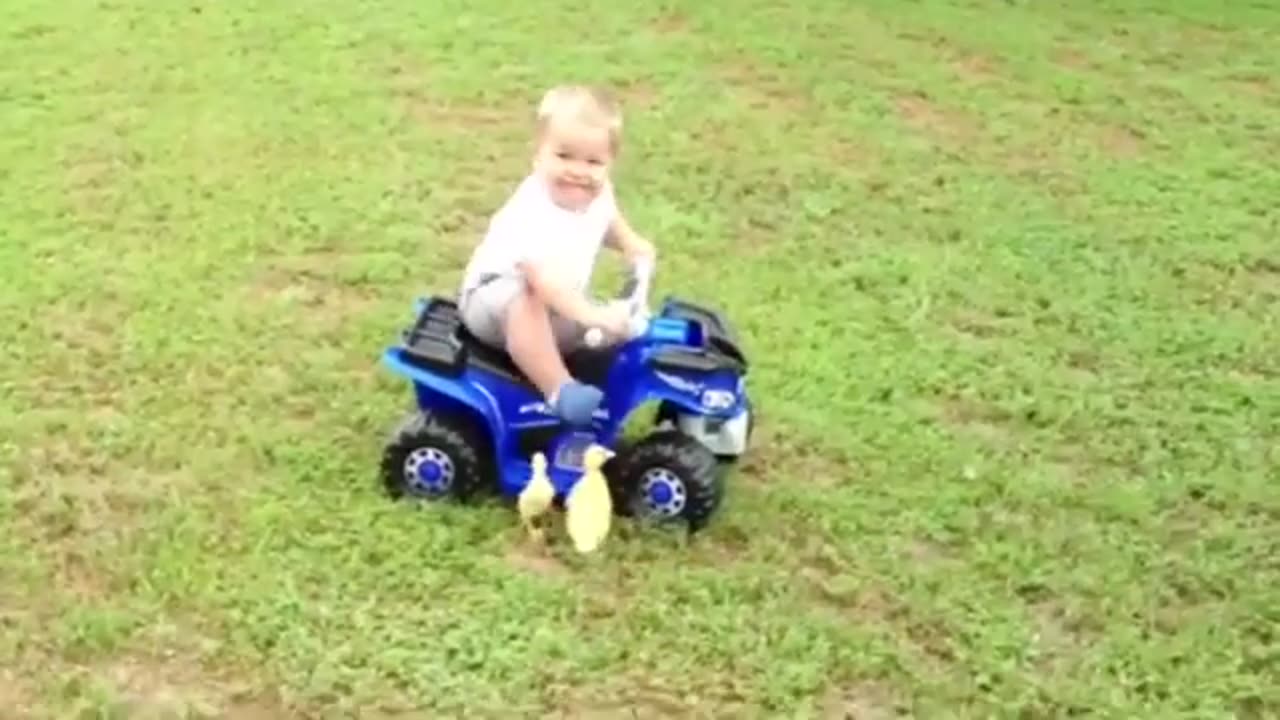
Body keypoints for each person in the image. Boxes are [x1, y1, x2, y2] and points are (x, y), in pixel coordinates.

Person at [457, 84, 657, 426]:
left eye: (593, 161)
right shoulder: (532, 208)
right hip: (494, 300)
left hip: (558, 297)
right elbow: (542, 281)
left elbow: (605, 219)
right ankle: (560, 391)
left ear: (609, 163)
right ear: (539, 155)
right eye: (564, 156)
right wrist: (591, 315)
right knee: (524, 300)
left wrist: (631, 243)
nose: (578, 171)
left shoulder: (597, 192)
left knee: (599, 327)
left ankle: (589, 354)